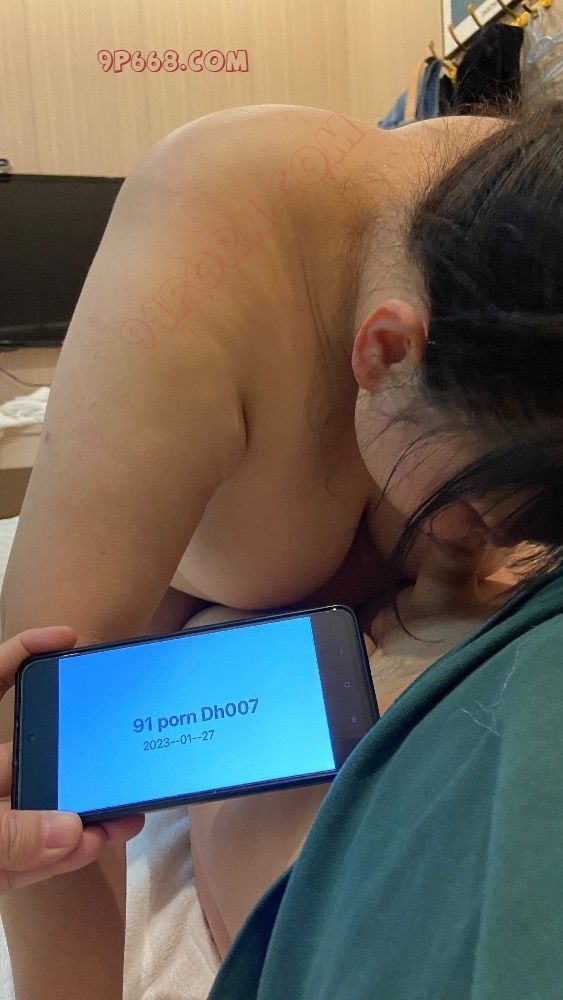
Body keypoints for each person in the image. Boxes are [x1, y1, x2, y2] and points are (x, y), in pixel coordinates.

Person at [0, 95, 561, 998]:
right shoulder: (199, 251)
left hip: (420, 639)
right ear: (382, 352)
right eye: (469, 508)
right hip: (232, 646)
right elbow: (41, 754)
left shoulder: (526, 224)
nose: (486, 542)